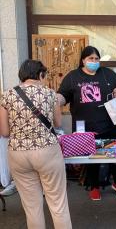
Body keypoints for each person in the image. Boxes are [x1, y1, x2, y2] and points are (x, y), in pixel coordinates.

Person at [0, 60, 72, 229]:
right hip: (47, 151)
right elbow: (58, 123)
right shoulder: (50, 94)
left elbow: (4, 132)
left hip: (18, 154)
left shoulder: (7, 95)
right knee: (58, 203)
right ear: (40, 74)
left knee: (32, 207)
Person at [57, 46, 116, 201]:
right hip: (85, 127)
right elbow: (63, 95)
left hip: (110, 124)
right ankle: (94, 186)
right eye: (90, 59)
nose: (94, 61)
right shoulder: (72, 77)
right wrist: (56, 100)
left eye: (96, 59)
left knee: (115, 155)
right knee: (91, 158)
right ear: (83, 60)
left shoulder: (107, 73)